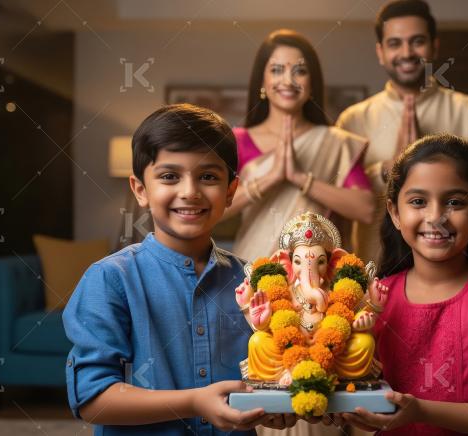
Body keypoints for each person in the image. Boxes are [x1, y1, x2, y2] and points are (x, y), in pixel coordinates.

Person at [62, 104, 296, 435]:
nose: (190, 192)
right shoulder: (111, 279)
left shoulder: (254, 281)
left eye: (208, 177)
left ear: (231, 191)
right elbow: (93, 399)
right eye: (170, 176)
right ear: (140, 190)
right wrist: (193, 403)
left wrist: (275, 406)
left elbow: (268, 374)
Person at [332, 134, 468, 435]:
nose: (436, 217)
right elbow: (360, 388)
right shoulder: (377, 296)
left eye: (454, 202)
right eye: (418, 202)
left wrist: (422, 411)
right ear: (395, 213)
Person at [336, 0, 468, 261]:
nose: (407, 52)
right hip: (375, 272)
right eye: (395, 43)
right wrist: (388, 170)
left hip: (456, 271)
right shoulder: (353, 120)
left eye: (417, 41)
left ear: (434, 46)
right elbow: (338, 202)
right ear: (380, 52)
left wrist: (437, 171)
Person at [222, 29, 375, 260]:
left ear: (312, 83)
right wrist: (269, 179)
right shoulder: (238, 141)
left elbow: (366, 210)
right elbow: (213, 209)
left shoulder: (336, 142)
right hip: (252, 270)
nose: (288, 80)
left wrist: (301, 179)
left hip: (318, 273)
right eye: (276, 70)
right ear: (262, 81)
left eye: (300, 71)